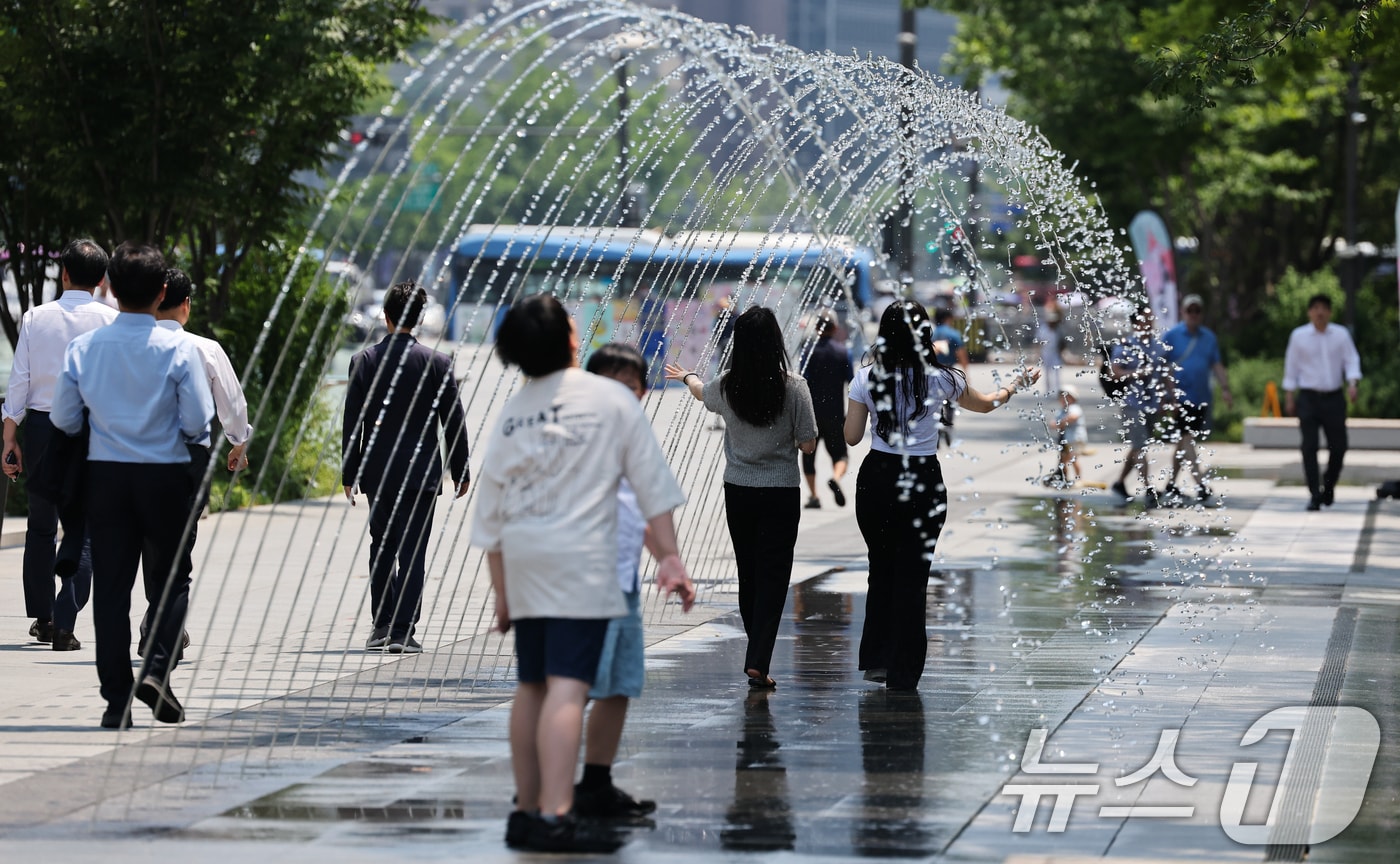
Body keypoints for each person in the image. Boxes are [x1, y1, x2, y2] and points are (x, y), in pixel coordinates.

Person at [473, 294, 692, 854]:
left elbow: (490, 510)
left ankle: (525, 810)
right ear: (572, 341)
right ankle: (554, 812)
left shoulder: (514, 411)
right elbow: (651, 485)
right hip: (581, 561)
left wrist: (502, 592)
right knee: (568, 687)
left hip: (523, 559)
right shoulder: (609, 399)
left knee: (532, 686)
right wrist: (669, 557)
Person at [51, 242, 214, 729]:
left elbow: (62, 417)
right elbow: (198, 421)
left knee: (112, 589)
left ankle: (116, 699)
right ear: (163, 291)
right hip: (163, 476)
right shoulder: (180, 348)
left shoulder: (84, 348)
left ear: (109, 288)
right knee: (170, 580)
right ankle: (159, 669)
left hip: (106, 477)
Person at [844, 300, 1037, 691]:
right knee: (914, 577)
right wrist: (1015, 385)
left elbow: (850, 437)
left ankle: (878, 658)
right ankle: (904, 670)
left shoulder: (866, 378)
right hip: (923, 479)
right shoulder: (944, 379)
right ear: (925, 335)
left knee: (880, 569)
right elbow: (986, 405)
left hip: (878, 477)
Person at [665, 306, 818, 690]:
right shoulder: (794, 386)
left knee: (748, 572)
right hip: (781, 491)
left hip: (739, 490)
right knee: (774, 575)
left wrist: (687, 376)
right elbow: (809, 443)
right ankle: (757, 659)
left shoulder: (728, 383)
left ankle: (756, 656)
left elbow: (703, 394)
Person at [574, 343, 696, 822]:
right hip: (577, 576)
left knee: (618, 683)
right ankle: (547, 789)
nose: (619, 396)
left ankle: (596, 784)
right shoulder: (574, 435)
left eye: (629, 388)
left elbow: (641, 507)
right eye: (608, 386)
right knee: (571, 684)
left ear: (644, 393)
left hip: (620, 575)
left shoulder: (634, 436)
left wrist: (669, 560)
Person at [342, 280, 470, 654]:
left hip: (378, 474)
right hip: (422, 475)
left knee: (381, 547)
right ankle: (403, 631)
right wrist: (460, 469)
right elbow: (453, 421)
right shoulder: (438, 363)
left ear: (385, 316)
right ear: (418, 318)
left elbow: (354, 424)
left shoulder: (363, 361)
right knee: (413, 552)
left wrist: (349, 474)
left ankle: (381, 624)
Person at [2, 239, 117, 652]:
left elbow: (20, 380)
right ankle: (66, 618)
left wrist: (9, 434)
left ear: (64, 273)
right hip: (92, 427)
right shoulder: (111, 321)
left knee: (41, 524)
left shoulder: (35, 318)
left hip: (44, 428)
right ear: (101, 278)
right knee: (84, 527)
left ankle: (44, 617)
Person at [1283, 293, 1362, 511]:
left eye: (1324, 308)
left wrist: (1353, 383)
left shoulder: (1341, 334)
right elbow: (1291, 367)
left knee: (1339, 446)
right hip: (1308, 397)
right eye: (1315, 308)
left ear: (1329, 312)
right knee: (1309, 446)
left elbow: (1351, 360)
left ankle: (1328, 484)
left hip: (1334, 397)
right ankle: (1314, 494)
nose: (1320, 312)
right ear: (1310, 312)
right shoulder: (1298, 336)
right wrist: (1289, 396)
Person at [1161, 293, 1233, 503]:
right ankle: (1200, 483)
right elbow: (1162, 367)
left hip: (1201, 397)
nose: (1193, 314)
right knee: (1187, 439)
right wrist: (1168, 395)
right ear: (1183, 312)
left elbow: (1216, 364)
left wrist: (1226, 388)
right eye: (1189, 310)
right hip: (1180, 397)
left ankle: (1172, 485)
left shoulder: (1209, 337)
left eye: (1197, 311)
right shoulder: (1172, 336)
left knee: (1183, 442)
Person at [1110, 307, 1174, 507]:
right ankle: (1148, 489)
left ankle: (1120, 483)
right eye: (1144, 320)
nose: (1148, 324)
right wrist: (1135, 374)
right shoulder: (1126, 345)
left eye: (1150, 320)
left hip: (1152, 404)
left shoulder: (1157, 347)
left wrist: (1167, 398)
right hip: (1132, 404)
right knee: (1140, 446)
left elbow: (1164, 374)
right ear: (1135, 324)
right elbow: (1114, 372)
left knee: (1139, 446)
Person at [800, 311, 852, 509]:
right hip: (836, 413)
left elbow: (802, 382)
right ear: (835, 329)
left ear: (816, 329)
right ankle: (836, 478)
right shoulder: (843, 352)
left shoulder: (808, 351)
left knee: (808, 455)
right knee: (840, 454)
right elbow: (852, 383)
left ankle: (814, 496)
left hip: (811, 414)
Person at [931, 308, 970, 448]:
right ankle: (947, 423)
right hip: (949, 372)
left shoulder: (931, 333)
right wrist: (966, 372)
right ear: (948, 318)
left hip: (932, 373)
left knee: (934, 403)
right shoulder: (953, 334)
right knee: (951, 401)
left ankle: (936, 427)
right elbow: (961, 354)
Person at [1048, 384, 1086, 487]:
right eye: (1061, 397)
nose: (1063, 399)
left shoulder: (1074, 408)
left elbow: (1073, 417)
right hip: (1065, 439)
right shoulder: (1061, 410)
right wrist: (1055, 424)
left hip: (1074, 438)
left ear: (1073, 398)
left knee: (1073, 458)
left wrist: (1060, 423)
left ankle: (1079, 478)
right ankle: (1063, 477)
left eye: (1066, 396)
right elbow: (1054, 422)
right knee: (1063, 459)